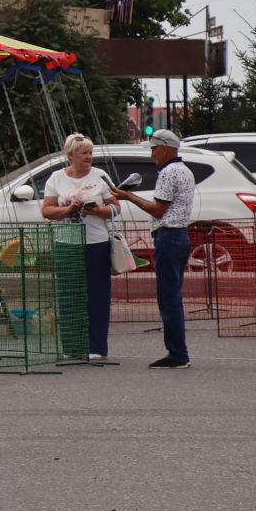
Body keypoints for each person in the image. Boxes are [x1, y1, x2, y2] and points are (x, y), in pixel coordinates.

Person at [107, 130, 195, 368]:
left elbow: (158, 209)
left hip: (168, 236)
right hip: (180, 236)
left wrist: (128, 196)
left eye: (155, 148)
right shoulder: (185, 170)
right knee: (173, 297)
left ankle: (177, 354)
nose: (152, 152)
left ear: (166, 148)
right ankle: (178, 351)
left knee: (169, 299)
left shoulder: (168, 172)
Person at [39, 134, 117, 363]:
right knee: (69, 294)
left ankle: (97, 347)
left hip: (96, 242)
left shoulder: (101, 176)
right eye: (84, 153)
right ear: (70, 155)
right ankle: (72, 345)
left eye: (90, 153)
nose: (89, 157)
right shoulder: (56, 178)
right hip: (67, 243)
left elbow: (116, 208)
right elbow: (47, 211)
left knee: (98, 294)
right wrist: (69, 209)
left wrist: (97, 211)